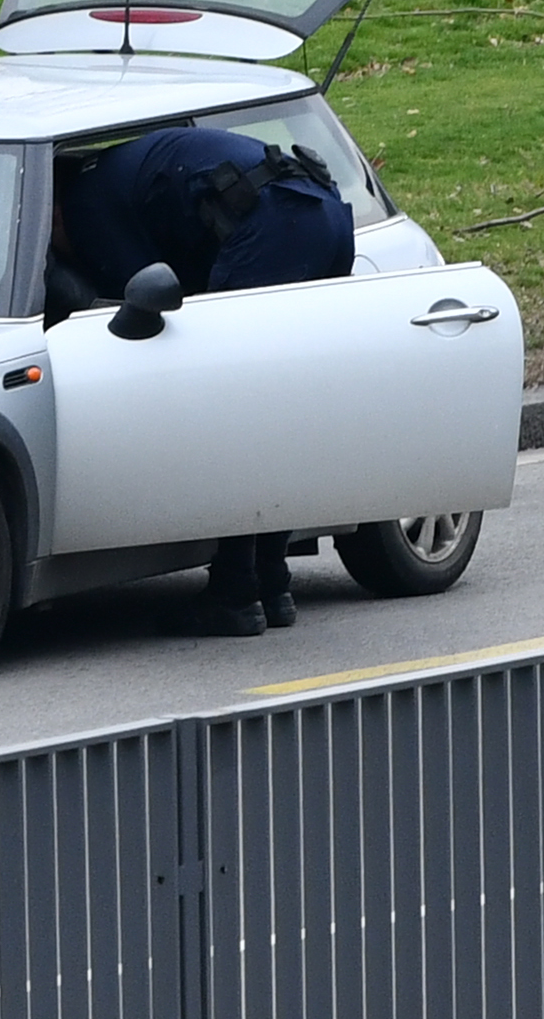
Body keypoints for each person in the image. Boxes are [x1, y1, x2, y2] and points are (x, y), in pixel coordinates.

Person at [48, 126, 358, 637]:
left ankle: (235, 591)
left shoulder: (83, 208)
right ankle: (272, 582)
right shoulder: (118, 174)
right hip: (323, 212)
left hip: (274, 225)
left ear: (52, 211)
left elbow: (144, 301)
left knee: (235, 412)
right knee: (276, 411)